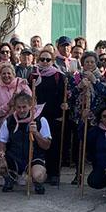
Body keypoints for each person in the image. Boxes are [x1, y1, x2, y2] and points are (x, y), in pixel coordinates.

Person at [0, 92, 52, 195]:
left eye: (24, 107)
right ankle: (10, 178)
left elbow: (47, 145)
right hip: (14, 157)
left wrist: (36, 133)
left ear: (30, 106)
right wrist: (1, 151)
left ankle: (38, 182)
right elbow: (1, 141)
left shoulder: (40, 120)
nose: (21, 110)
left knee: (38, 175)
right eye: (18, 107)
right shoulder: (9, 121)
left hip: (34, 157)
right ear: (14, 107)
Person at [32, 49, 70, 185]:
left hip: (54, 115)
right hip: (37, 115)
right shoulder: (33, 75)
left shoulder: (59, 76)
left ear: (53, 61)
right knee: (39, 144)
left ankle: (54, 173)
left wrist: (65, 106)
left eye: (48, 59)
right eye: (42, 59)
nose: (45, 62)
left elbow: (65, 96)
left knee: (53, 145)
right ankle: (41, 171)